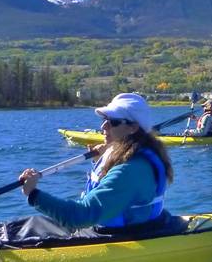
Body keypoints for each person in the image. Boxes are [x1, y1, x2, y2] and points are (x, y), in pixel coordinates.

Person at [19, 93, 175, 232]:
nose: (103, 126)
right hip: (106, 225)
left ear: (133, 128)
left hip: (122, 236)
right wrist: (102, 161)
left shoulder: (130, 169)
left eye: (113, 122)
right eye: (105, 119)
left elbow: (80, 216)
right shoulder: (131, 154)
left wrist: (33, 194)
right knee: (30, 226)